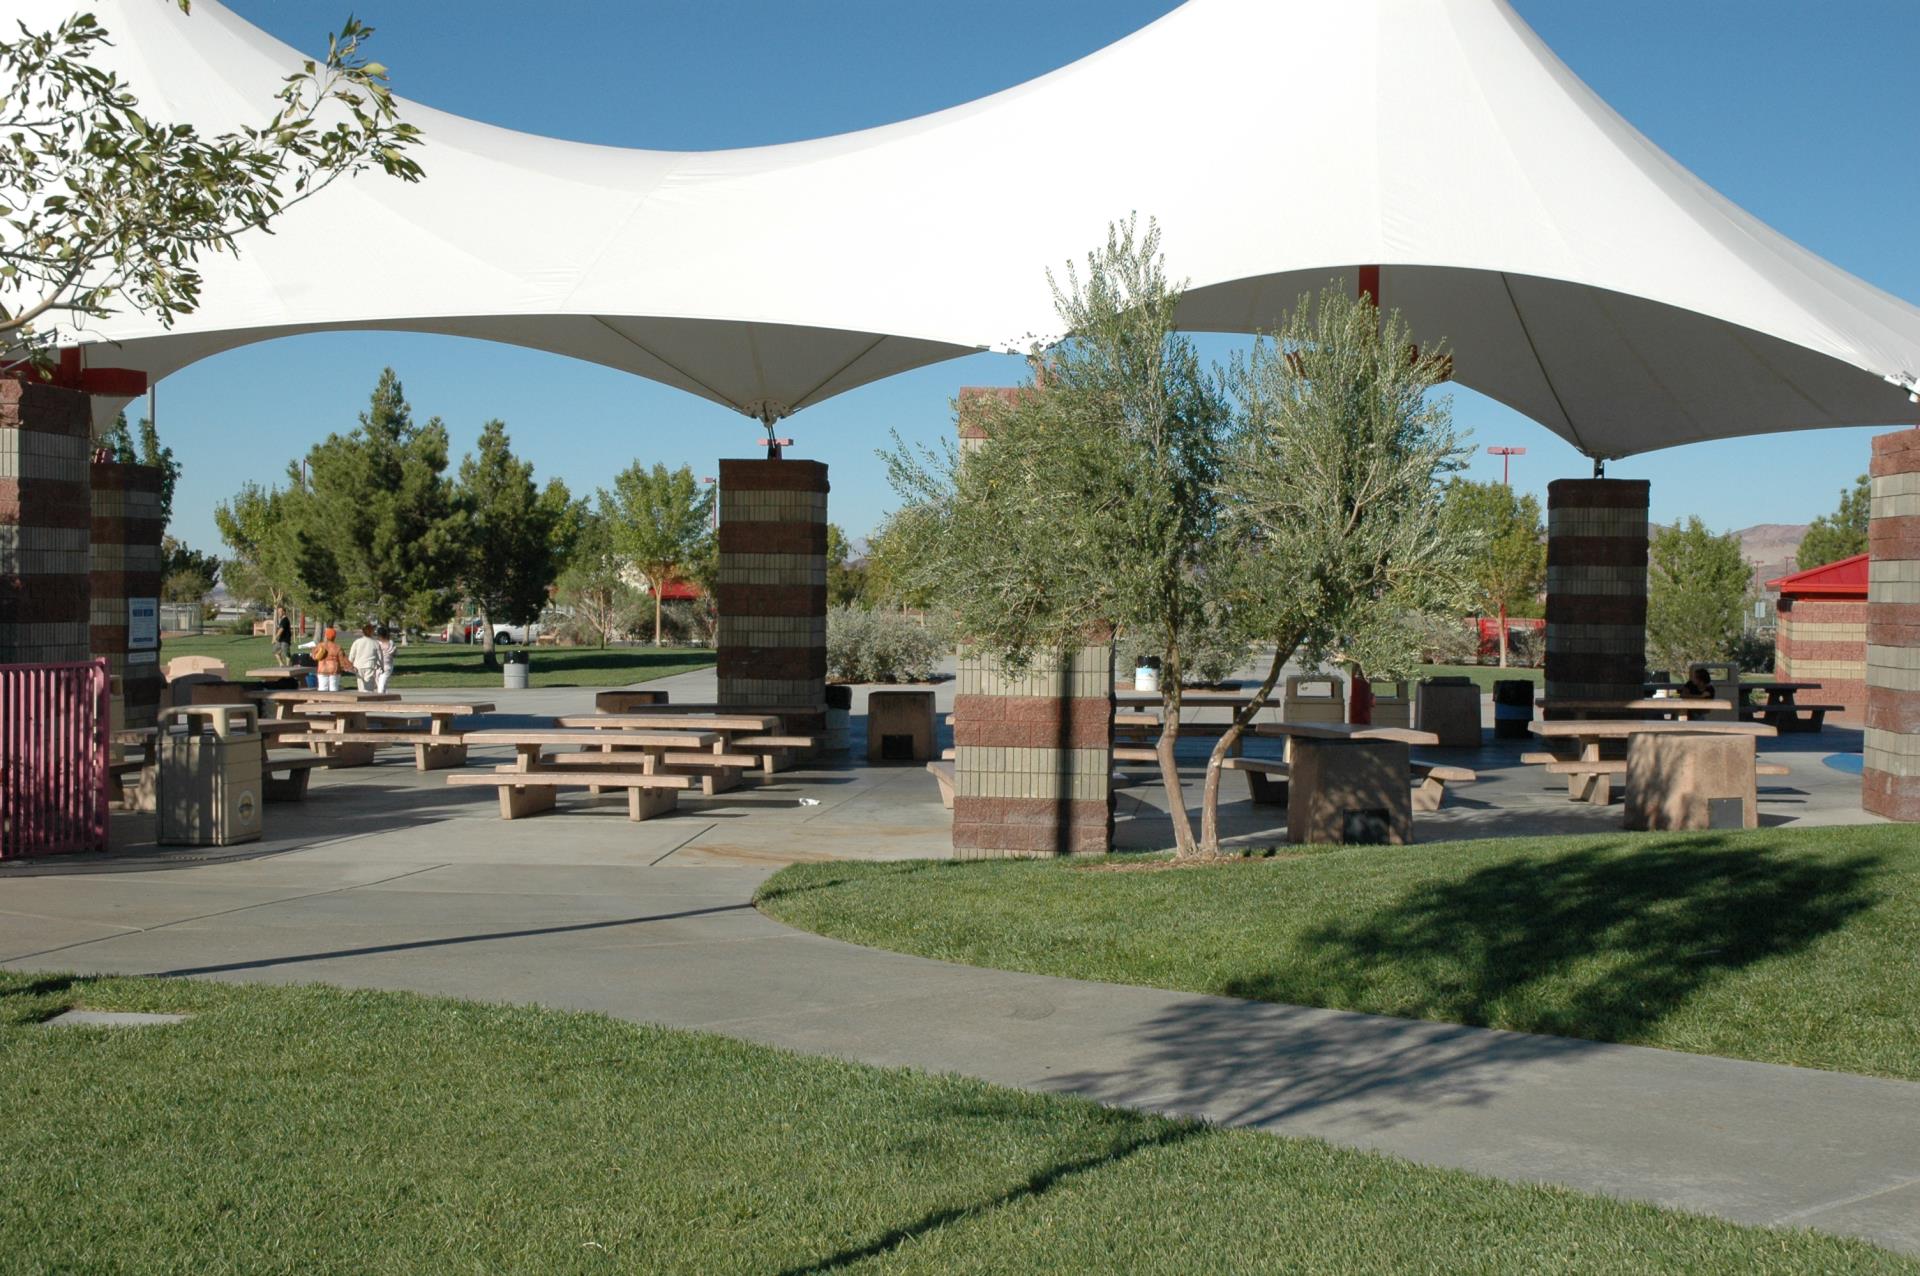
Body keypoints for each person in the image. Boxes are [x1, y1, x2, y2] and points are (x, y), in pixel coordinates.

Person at [348, 622, 385, 692]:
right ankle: (368, 700)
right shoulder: (375, 643)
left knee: (361, 685)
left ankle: (361, 699)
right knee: (369, 686)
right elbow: (380, 656)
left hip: (358, 666)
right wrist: (382, 666)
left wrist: (350, 665)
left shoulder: (357, 642)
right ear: (371, 632)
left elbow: (352, 655)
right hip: (369, 666)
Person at [312, 627, 347, 692]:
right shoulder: (338, 647)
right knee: (334, 689)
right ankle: (333, 701)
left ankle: (322, 701)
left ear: (326, 636)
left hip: (322, 669)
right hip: (334, 670)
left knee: (322, 689)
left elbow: (314, 657)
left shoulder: (320, 645)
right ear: (334, 637)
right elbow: (342, 661)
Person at [374, 625, 396, 693]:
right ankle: (385, 698)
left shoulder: (377, 643)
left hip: (385, 666)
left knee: (381, 686)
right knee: (381, 685)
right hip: (380, 666)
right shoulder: (391, 643)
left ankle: (380, 699)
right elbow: (395, 654)